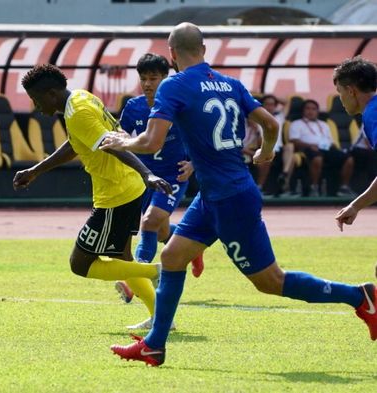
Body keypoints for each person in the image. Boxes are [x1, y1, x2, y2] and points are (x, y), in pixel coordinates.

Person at [103, 23, 376, 367]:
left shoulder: (175, 84)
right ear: (204, 49)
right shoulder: (231, 84)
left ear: (172, 54)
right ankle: (154, 345)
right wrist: (266, 151)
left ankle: (360, 296)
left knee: (270, 282)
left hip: (229, 198)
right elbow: (271, 125)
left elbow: (151, 141)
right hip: (219, 193)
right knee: (172, 257)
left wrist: (120, 142)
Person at [14, 64, 174, 315]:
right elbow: (76, 144)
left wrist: (148, 173)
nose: (36, 106)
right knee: (122, 259)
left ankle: (156, 271)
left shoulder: (77, 112)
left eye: (36, 99)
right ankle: (160, 318)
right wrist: (36, 171)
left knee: (80, 263)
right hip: (124, 186)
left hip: (116, 193)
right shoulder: (80, 98)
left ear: (52, 94)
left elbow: (110, 145)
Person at [114, 53, 204, 331]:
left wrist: (194, 163)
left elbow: (202, 138)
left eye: (154, 78)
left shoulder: (181, 106)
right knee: (161, 230)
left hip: (172, 176)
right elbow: (121, 137)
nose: (148, 84)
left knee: (149, 222)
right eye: (144, 79)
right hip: (144, 178)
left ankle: (137, 276)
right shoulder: (134, 107)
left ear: (167, 78)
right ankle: (190, 247)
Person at [333, 56, 377, 230]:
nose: (340, 99)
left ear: (351, 91)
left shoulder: (373, 114)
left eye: (339, 92)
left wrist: (356, 205)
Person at [289, 100, 355, 197]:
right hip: (307, 148)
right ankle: (314, 187)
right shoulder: (296, 123)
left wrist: (334, 148)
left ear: (317, 111)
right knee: (317, 158)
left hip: (326, 148)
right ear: (303, 111)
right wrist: (309, 146)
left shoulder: (324, 124)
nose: (310, 111)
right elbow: (294, 141)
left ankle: (343, 188)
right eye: (308, 108)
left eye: (313, 109)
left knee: (349, 159)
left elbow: (330, 141)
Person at [253, 95, 297, 196]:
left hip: (279, 150)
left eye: (272, 104)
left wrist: (269, 94)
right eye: (267, 104)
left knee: (290, 147)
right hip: (263, 148)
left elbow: (286, 101)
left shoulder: (279, 117)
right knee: (292, 159)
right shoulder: (256, 118)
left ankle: (284, 175)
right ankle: (262, 187)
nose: (270, 107)